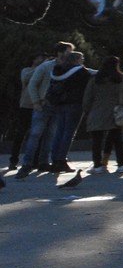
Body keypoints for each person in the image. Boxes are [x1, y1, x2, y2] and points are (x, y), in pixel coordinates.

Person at [17, 42, 72, 177]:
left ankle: (43, 162)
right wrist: (36, 101)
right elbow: (32, 84)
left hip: (59, 106)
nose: (70, 54)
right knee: (35, 134)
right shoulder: (46, 66)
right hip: (43, 104)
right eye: (68, 51)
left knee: (50, 136)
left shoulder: (70, 67)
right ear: (60, 52)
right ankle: (27, 164)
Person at [43, 51, 92, 173]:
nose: (83, 61)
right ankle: (61, 160)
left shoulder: (57, 70)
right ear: (77, 60)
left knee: (59, 131)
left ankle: (54, 159)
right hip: (75, 104)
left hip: (59, 104)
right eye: (82, 58)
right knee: (69, 133)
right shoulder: (81, 72)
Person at [82, 56, 123, 171]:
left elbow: (87, 97)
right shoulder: (122, 78)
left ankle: (98, 165)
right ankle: (121, 164)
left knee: (97, 141)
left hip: (97, 111)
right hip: (116, 113)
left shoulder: (95, 78)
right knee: (118, 139)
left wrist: (87, 110)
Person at [10, 53, 46, 169]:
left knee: (38, 134)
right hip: (26, 105)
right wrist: (40, 67)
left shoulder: (45, 70)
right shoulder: (26, 70)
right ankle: (13, 160)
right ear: (34, 59)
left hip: (40, 106)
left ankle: (35, 161)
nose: (42, 60)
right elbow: (26, 79)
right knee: (21, 133)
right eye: (40, 57)